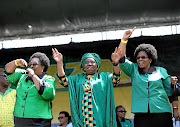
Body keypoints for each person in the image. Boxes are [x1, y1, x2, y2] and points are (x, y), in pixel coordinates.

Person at [118, 27, 179, 127]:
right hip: (141, 116)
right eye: (137, 58)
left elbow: (172, 92)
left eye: (143, 57)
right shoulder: (133, 70)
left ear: (150, 59)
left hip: (162, 113)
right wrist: (124, 40)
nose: (139, 59)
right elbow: (121, 59)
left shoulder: (161, 71)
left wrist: (175, 109)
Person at [52, 48, 121, 126]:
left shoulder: (104, 77)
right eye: (86, 62)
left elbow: (116, 78)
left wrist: (116, 63)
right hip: (84, 120)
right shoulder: (77, 79)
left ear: (97, 65)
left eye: (92, 62)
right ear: (83, 66)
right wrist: (59, 62)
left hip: (100, 119)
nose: (89, 64)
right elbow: (63, 80)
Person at [5, 52, 56, 127]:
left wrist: (33, 75)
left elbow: (47, 93)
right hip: (20, 119)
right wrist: (17, 62)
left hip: (39, 121)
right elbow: (8, 71)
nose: (31, 67)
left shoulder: (48, 79)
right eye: (30, 64)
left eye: (34, 64)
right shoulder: (22, 76)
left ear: (43, 67)